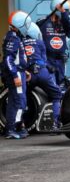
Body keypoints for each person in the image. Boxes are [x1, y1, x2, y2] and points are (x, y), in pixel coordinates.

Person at [23, 22, 62, 131]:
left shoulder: (21, 43)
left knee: (22, 96)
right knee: (56, 95)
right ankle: (55, 124)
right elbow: (44, 60)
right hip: (42, 72)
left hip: (28, 75)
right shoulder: (40, 42)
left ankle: (21, 125)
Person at [2, 11, 30, 139]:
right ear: (19, 24)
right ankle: (13, 129)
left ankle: (11, 129)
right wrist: (15, 75)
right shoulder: (13, 38)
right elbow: (8, 59)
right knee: (19, 101)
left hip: (19, 71)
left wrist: (25, 70)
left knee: (14, 102)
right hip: (16, 73)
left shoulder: (14, 36)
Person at [37, 0, 70, 87]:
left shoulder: (66, 23)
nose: (67, 13)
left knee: (60, 84)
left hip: (60, 60)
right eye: (65, 10)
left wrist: (63, 13)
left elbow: (69, 25)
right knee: (51, 84)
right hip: (47, 59)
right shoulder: (42, 22)